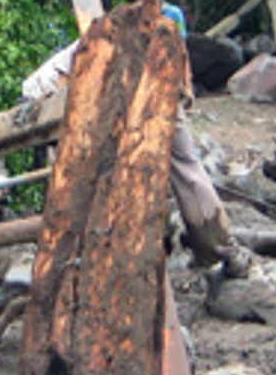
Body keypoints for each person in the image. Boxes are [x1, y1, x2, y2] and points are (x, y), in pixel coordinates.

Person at [20, 30, 249, 276]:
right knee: (186, 171)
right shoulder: (153, 37)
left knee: (88, 179)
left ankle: (101, 249)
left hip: (120, 92)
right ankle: (218, 248)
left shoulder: (48, 82)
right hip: (137, 88)